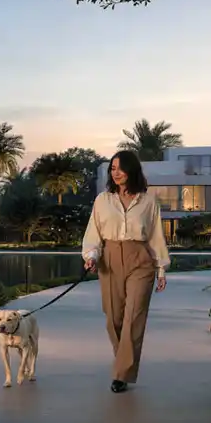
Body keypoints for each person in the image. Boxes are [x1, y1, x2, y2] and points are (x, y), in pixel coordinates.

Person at [82, 150, 169, 393]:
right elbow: (94, 233)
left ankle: (122, 373)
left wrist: (161, 269)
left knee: (133, 318)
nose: (116, 173)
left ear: (132, 170)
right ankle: (124, 360)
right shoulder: (102, 200)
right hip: (109, 259)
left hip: (140, 259)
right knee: (114, 319)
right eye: (112, 168)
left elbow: (156, 237)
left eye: (120, 168)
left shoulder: (148, 202)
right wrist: (91, 256)